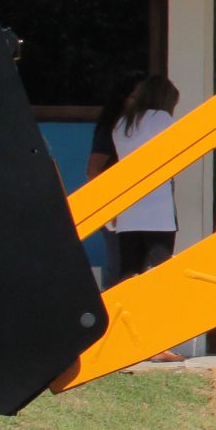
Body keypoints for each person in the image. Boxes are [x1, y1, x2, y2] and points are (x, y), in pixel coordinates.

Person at [108, 75, 184, 361]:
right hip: (158, 210)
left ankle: (123, 338)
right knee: (157, 275)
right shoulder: (163, 120)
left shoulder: (123, 124)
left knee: (128, 274)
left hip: (129, 209)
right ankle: (155, 344)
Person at [85, 73, 142, 287]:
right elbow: (93, 170)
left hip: (135, 209)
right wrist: (111, 208)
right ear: (123, 99)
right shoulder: (112, 128)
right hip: (116, 210)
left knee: (132, 268)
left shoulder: (136, 128)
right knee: (119, 268)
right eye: (136, 98)